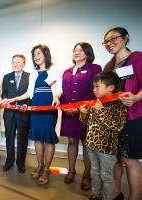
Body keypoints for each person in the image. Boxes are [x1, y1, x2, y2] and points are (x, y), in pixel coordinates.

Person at [4, 45, 62, 184]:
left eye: (38, 53)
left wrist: (57, 97)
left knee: (48, 138)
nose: (36, 57)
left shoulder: (54, 70)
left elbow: (58, 89)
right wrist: (15, 99)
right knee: (37, 138)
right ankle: (40, 165)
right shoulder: (34, 73)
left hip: (48, 108)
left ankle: (47, 169)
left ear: (46, 54)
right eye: (34, 55)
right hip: (35, 109)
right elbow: (29, 93)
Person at [103, 27, 142, 200]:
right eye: (106, 41)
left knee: (130, 160)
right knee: (116, 158)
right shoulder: (109, 66)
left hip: (131, 117)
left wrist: (136, 97)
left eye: (113, 39)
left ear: (126, 38)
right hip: (113, 118)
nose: (109, 44)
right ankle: (116, 193)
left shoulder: (137, 58)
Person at [60, 42, 102, 189]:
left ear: (88, 53)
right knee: (71, 141)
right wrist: (62, 104)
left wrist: (79, 108)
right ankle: (71, 171)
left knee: (86, 143)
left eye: (81, 50)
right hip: (68, 112)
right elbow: (64, 91)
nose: (77, 52)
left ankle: (86, 175)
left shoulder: (95, 69)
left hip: (85, 111)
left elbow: (95, 91)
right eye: (75, 50)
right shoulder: (66, 71)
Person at [79, 72, 126, 200]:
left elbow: (117, 126)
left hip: (107, 149)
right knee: (95, 172)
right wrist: (83, 113)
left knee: (107, 175)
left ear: (110, 87)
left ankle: (108, 197)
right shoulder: (96, 102)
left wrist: (101, 110)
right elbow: (87, 121)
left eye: (97, 87)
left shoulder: (118, 104)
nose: (94, 90)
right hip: (91, 145)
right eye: (93, 87)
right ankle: (96, 194)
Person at [1, 54, 30, 174]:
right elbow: (4, 94)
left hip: (23, 113)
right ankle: (9, 160)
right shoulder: (7, 77)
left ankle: (21, 163)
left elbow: (30, 94)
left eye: (18, 62)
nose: (15, 64)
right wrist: (5, 99)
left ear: (24, 63)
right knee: (9, 137)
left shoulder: (30, 76)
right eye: (13, 62)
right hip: (9, 113)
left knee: (23, 138)